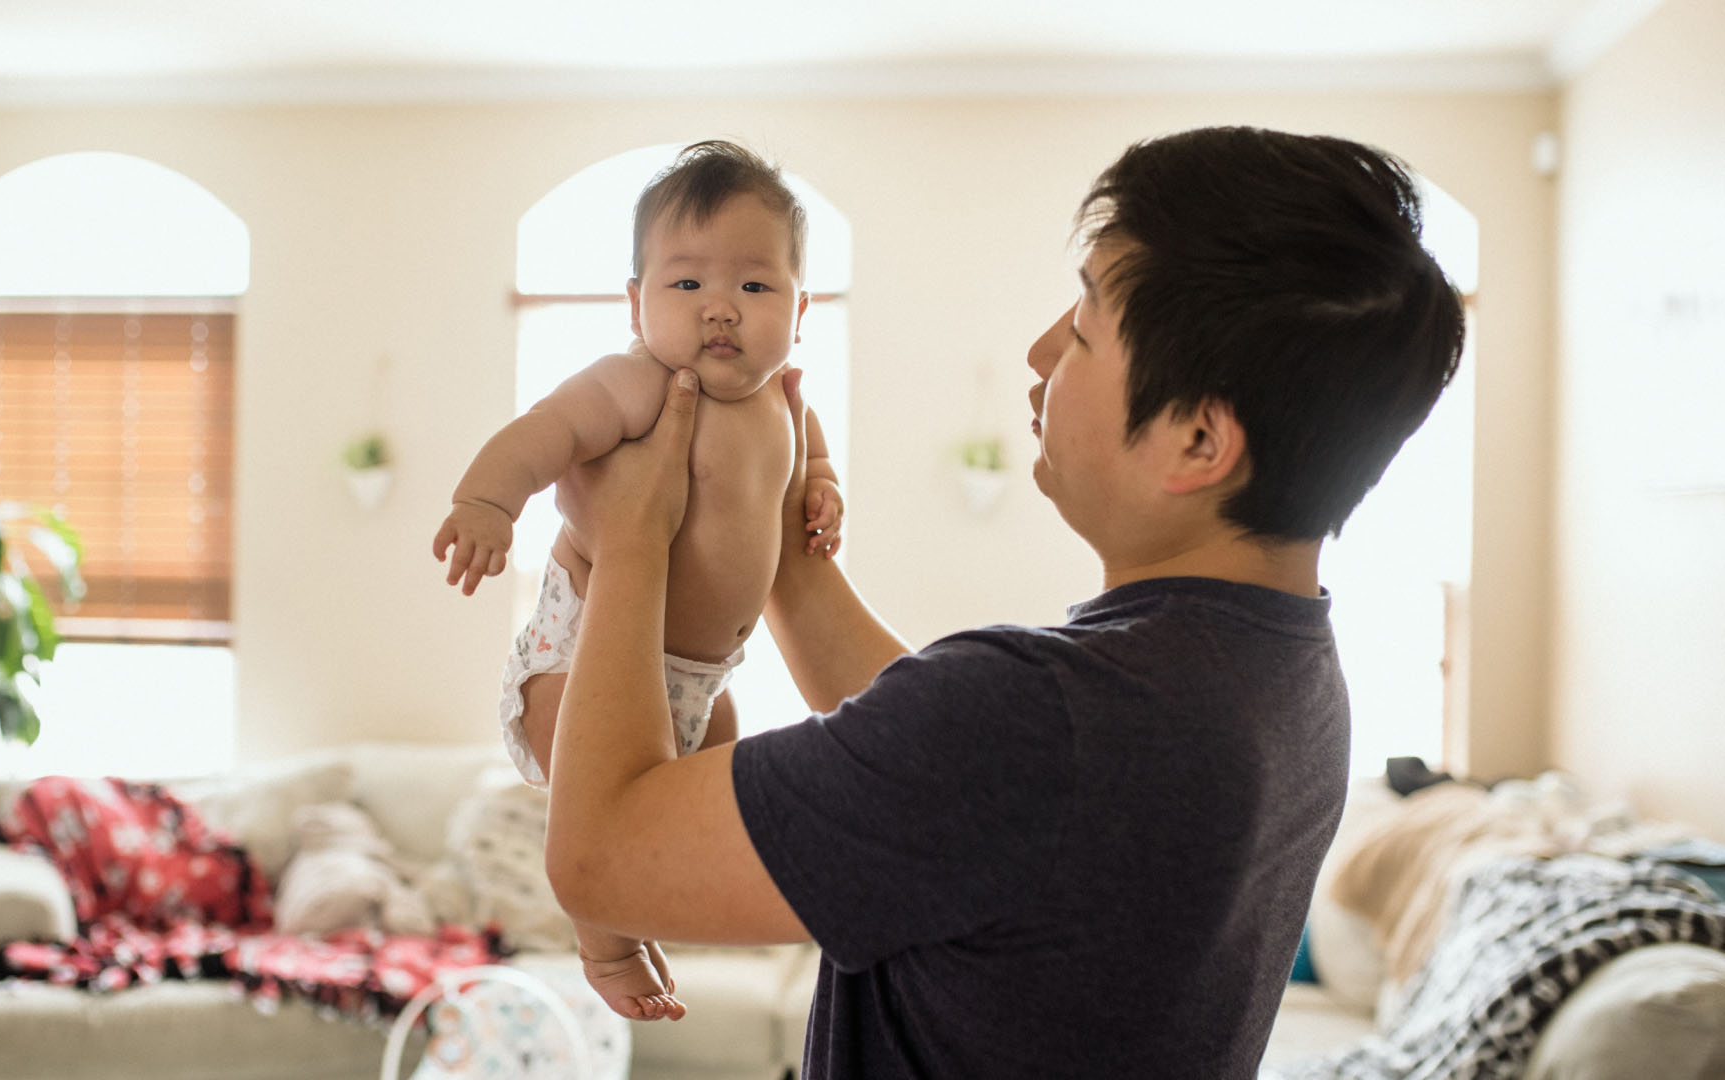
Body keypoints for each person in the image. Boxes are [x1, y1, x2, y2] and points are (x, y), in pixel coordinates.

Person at [539, 125, 1466, 1078]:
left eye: (1086, 326)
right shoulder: (1284, 673)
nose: (1038, 352)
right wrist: (776, 538)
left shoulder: (1036, 719)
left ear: (1198, 439)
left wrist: (633, 541)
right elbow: (954, 786)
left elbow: (602, 857)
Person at [430, 140, 844, 1022]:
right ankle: (605, 945)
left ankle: (652, 911)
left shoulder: (786, 403)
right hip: (578, 660)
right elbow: (545, 432)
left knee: (718, 797)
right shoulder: (639, 383)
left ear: (801, 310)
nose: (721, 308)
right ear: (635, 302)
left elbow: (813, 464)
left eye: (755, 287)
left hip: (700, 678)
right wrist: (487, 502)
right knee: (598, 826)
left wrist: (825, 491)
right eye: (687, 284)